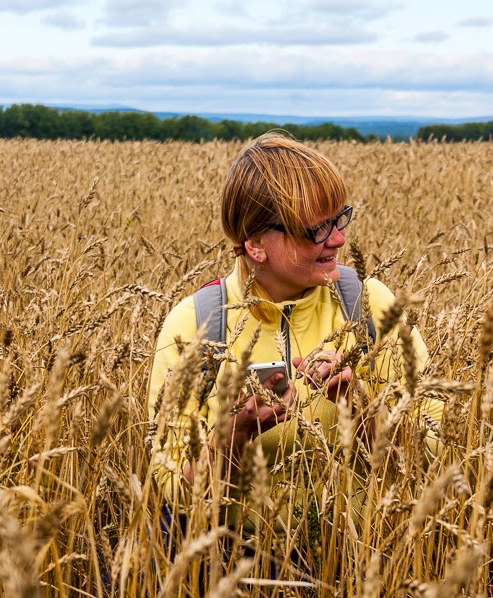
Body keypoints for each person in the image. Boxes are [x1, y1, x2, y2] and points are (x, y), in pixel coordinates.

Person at [146, 132, 433, 544]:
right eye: (316, 229)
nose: (339, 239)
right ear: (257, 245)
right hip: (230, 565)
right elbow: (172, 489)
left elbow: (437, 449)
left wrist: (362, 409)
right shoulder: (195, 325)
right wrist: (234, 438)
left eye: (340, 218)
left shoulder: (368, 304)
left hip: (356, 559)